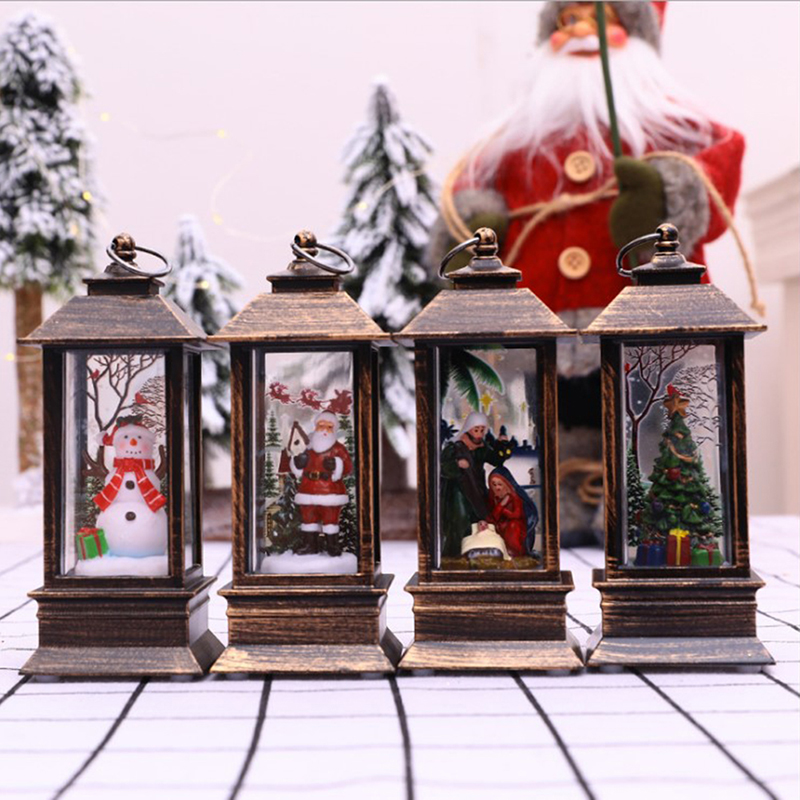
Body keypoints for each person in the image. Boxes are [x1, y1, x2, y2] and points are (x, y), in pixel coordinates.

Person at [428, 1, 745, 548]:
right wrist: (477, 222)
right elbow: (466, 195)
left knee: (640, 402)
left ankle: (633, 499)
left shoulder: (674, 129)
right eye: (565, 21)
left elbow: (722, 163)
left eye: (598, 19)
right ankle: (562, 494)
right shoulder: (512, 142)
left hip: (641, 311)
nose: (579, 31)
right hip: (538, 313)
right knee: (550, 406)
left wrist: (665, 194)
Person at [439, 412, 511, 559]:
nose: (479, 434)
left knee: (479, 522)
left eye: (482, 430)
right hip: (458, 492)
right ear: (468, 429)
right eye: (476, 430)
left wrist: (502, 445)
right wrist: (457, 464)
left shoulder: (481, 448)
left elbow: (496, 459)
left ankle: (475, 552)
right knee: (460, 521)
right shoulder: (455, 448)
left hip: (477, 490)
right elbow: (442, 468)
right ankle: (453, 556)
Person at [291, 411, 353, 557]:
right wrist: (297, 463)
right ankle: (310, 545)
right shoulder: (309, 447)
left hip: (330, 490)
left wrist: (337, 464)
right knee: (308, 518)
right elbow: (299, 463)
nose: (325, 429)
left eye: (329, 427)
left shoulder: (338, 449)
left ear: (334, 429)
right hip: (308, 489)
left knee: (330, 519)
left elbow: (348, 467)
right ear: (316, 426)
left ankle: (332, 546)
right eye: (321, 425)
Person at [488, 466, 539, 558]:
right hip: (500, 525)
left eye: (500, 484)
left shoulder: (515, 497)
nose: (497, 487)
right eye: (494, 484)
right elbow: (494, 516)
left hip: (515, 526)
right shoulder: (493, 498)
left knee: (513, 526)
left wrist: (504, 511)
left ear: (506, 484)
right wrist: (501, 505)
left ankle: (514, 552)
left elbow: (517, 514)